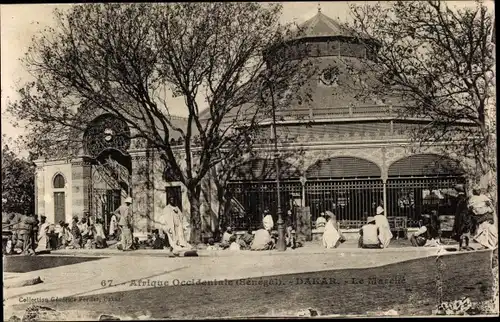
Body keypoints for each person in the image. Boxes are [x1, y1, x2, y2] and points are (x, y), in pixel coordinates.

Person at [469, 185, 498, 250]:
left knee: (490, 230)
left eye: (479, 190)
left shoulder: (484, 197)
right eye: (477, 190)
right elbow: (471, 207)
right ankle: (484, 245)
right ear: (474, 191)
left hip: (487, 216)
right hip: (479, 217)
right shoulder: (472, 198)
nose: (479, 191)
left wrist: (490, 212)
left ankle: (492, 244)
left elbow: (490, 207)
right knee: (482, 231)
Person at [451, 184, 473, 250]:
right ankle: (464, 246)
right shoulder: (462, 201)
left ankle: (463, 246)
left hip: (463, 218)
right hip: (463, 218)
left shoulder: (460, 201)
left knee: (463, 232)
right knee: (464, 232)